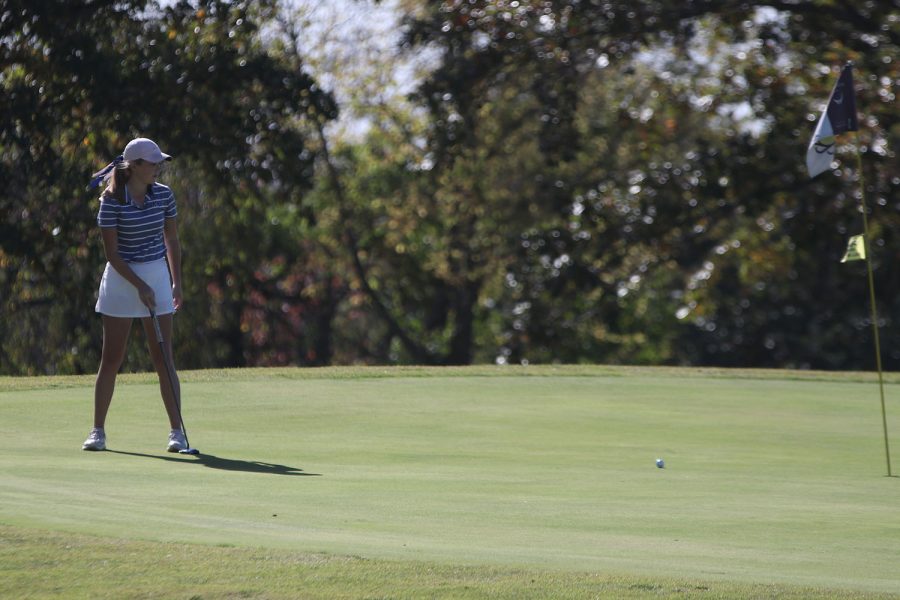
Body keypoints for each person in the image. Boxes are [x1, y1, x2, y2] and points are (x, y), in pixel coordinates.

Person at [82, 137, 186, 452]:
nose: (157, 168)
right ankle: (98, 431)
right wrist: (139, 286)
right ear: (135, 166)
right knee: (112, 358)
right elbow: (112, 254)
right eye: (152, 163)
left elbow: (172, 241)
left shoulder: (164, 196)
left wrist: (176, 282)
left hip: (155, 272)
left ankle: (177, 432)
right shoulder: (111, 200)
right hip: (121, 278)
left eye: (158, 163)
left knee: (163, 357)